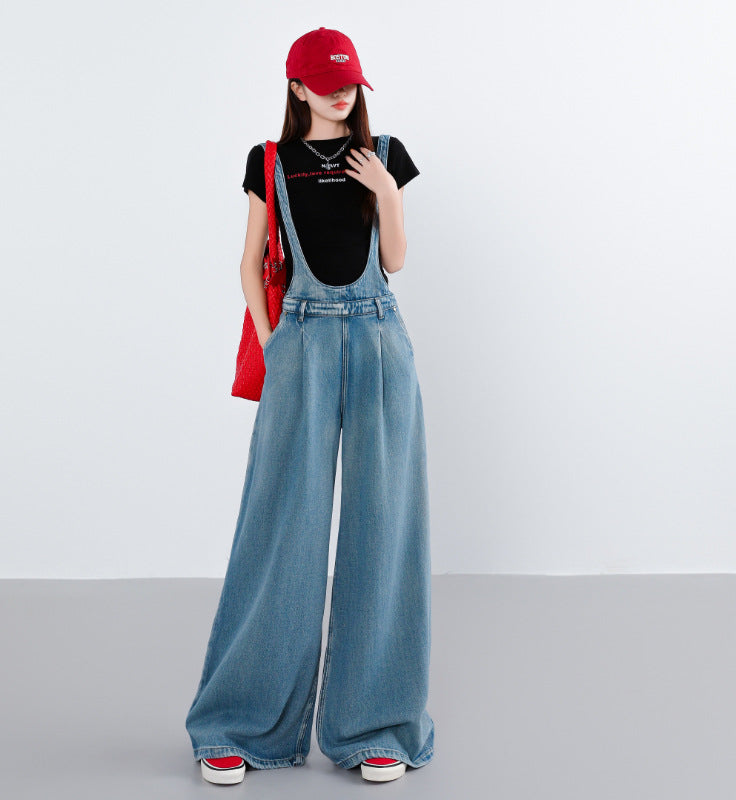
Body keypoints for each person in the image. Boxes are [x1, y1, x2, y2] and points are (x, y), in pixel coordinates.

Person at [185, 26, 434, 786]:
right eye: (326, 84)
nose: (341, 93)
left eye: (350, 81)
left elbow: (395, 261)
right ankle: (239, 722)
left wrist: (386, 191)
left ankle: (377, 726)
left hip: (380, 341)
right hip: (300, 342)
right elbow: (248, 260)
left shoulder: (385, 155)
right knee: (280, 526)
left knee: (383, 528)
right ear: (297, 88)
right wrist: (277, 344)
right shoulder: (270, 161)